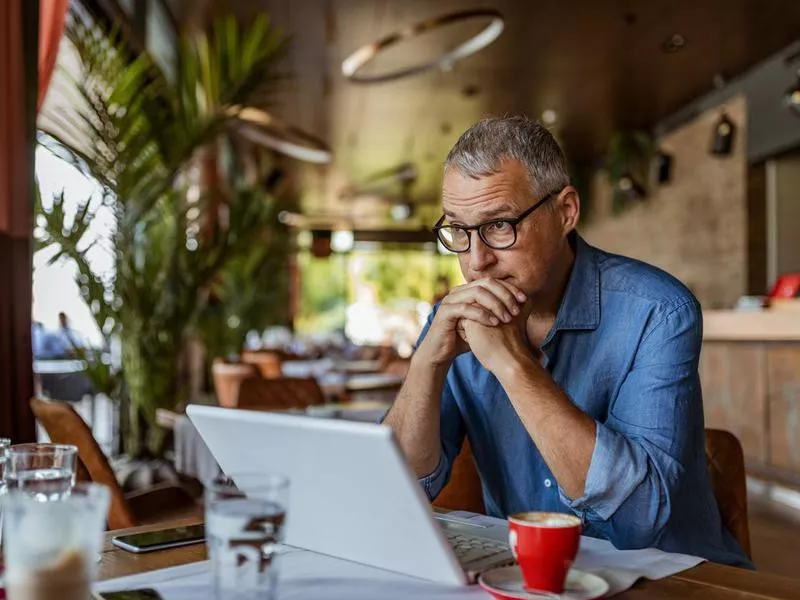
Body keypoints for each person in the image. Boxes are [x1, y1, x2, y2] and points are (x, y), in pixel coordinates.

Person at [383, 116, 751, 567]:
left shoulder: (657, 310)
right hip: (531, 579)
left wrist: (513, 365)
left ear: (566, 212)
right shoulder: (454, 321)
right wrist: (426, 364)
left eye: (499, 225)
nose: (476, 261)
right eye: (459, 230)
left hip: (672, 581)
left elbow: (638, 522)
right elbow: (395, 494)